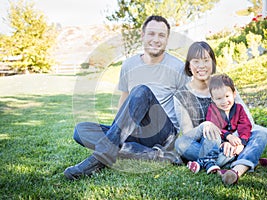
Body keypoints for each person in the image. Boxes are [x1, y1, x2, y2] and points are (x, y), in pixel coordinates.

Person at [64, 15, 189, 180]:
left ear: (167, 39)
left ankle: (98, 159)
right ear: (142, 35)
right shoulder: (129, 65)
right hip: (134, 130)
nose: (156, 39)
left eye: (161, 35)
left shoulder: (178, 68)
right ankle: (157, 156)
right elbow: (124, 99)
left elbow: (187, 106)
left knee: (142, 91)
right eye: (151, 34)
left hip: (163, 133)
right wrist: (116, 133)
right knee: (80, 131)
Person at [174, 41, 267, 185]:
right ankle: (245, 159)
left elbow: (247, 121)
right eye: (196, 61)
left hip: (233, 140)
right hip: (204, 143)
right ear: (189, 65)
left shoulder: (224, 85)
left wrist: (235, 142)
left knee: (260, 135)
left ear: (212, 63)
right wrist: (205, 127)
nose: (201, 66)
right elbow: (188, 133)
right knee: (181, 144)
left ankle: (234, 169)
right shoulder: (181, 96)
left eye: (206, 60)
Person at [187, 73, 252, 175]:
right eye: (219, 98)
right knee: (210, 137)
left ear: (234, 94)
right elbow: (214, 127)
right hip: (215, 142)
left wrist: (242, 143)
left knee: (256, 137)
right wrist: (228, 136)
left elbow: (245, 126)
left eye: (227, 96)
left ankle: (201, 162)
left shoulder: (239, 109)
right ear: (212, 99)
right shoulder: (212, 109)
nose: (224, 101)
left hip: (231, 145)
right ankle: (210, 161)